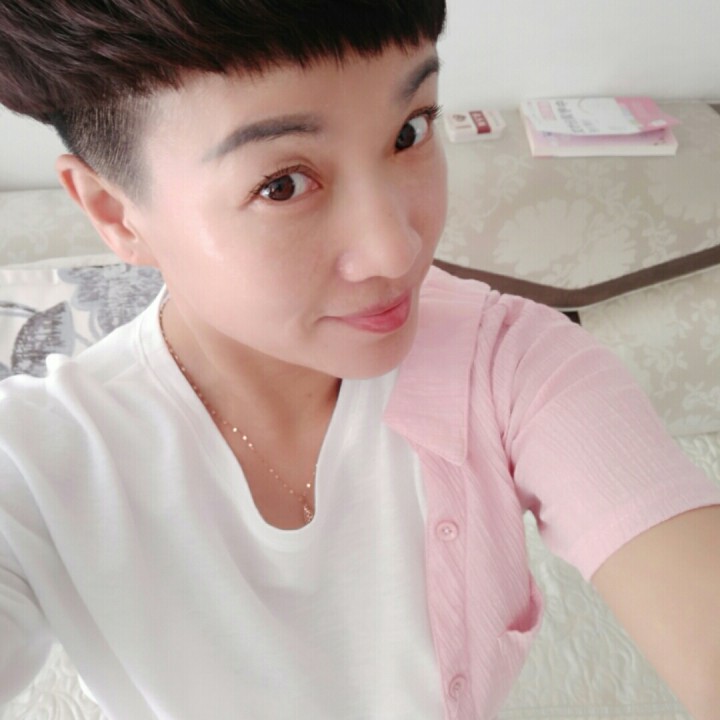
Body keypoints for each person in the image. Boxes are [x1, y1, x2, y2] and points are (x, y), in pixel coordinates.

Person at [0, 2, 719, 718]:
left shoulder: (512, 364)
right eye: (282, 184)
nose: (396, 250)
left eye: (410, 131)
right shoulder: (36, 463)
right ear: (115, 212)